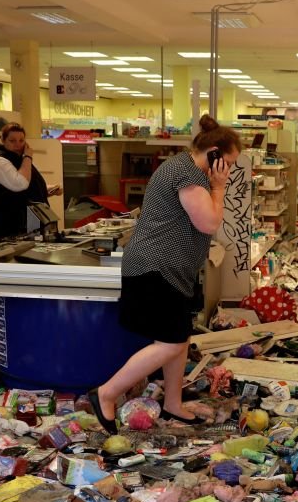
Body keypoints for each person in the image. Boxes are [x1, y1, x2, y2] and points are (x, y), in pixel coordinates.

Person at [88, 115, 241, 429]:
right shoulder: (187, 174)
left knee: (179, 338)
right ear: (214, 152)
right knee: (171, 342)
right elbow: (209, 223)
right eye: (229, 161)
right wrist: (220, 187)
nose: (230, 168)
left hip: (169, 270)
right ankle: (106, 393)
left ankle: (172, 404)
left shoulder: (186, 170)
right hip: (155, 268)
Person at [0, 122, 61, 244]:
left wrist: (49, 189)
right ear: (3, 140)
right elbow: (21, 184)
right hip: (9, 226)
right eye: (12, 141)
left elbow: (28, 187)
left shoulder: (19, 159)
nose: (18, 145)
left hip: (29, 223)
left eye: (21, 140)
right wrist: (28, 157)